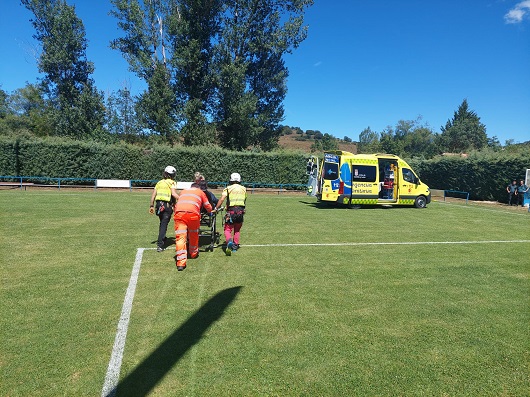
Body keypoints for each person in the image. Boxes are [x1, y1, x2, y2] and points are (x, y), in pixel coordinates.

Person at [173, 182, 213, 271]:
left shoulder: (183, 191)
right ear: (198, 188)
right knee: (193, 234)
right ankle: (193, 253)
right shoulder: (200, 192)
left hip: (179, 214)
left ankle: (180, 263)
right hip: (193, 215)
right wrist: (210, 211)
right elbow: (207, 206)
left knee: (180, 238)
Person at [212, 172, 247, 256]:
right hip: (240, 211)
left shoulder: (228, 188)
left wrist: (216, 208)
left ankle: (229, 241)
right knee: (237, 230)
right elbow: (244, 200)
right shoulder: (243, 189)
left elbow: (222, 199)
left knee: (227, 229)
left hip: (231, 212)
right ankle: (235, 247)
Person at [150, 166, 179, 252]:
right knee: (164, 224)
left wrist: (151, 205)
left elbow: (153, 195)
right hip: (166, 206)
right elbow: (173, 194)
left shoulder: (159, 182)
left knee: (162, 222)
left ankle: (163, 237)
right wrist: (182, 199)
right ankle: (160, 245)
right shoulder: (172, 182)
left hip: (158, 206)